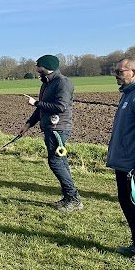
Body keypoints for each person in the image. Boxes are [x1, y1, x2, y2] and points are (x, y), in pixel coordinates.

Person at [18, 54, 82, 212]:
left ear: (47, 66)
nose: (37, 70)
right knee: (61, 162)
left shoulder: (62, 82)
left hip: (58, 128)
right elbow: (41, 108)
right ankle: (70, 197)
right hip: (50, 128)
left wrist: (36, 102)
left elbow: (61, 107)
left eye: (38, 66)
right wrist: (28, 124)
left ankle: (73, 198)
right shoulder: (47, 84)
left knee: (55, 162)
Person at [105, 58, 135, 264]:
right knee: (127, 202)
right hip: (123, 160)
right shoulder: (129, 94)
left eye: (120, 72)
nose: (116, 76)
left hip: (134, 163)